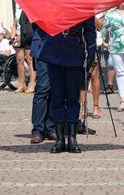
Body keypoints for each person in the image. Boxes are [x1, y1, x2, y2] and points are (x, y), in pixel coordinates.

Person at [34, 18, 96, 153]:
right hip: (54, 50)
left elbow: (90, 30)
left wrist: (91, 50)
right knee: (57, 98)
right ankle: (60, 139)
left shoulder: (82, 1)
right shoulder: (53, 0)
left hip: (74, 52)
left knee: (73, 98)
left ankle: (72, 138)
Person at [14, 10, 36, 93]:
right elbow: (15, 24)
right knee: (19, 60)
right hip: (19, 36)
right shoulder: (18, 9)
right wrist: (14, 35)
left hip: (28, 34)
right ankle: (22, 84)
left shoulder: (28, 6)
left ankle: (32, 84)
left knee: (30, 60)